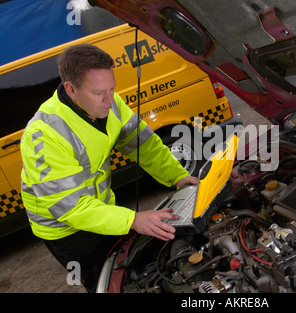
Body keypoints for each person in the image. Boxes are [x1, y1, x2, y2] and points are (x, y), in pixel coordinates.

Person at [20, 43, 197, 292]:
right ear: (71, 89)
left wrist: (177, 176)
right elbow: (71, 207)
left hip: (103, 209)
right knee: (106, 284)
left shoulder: (110, 103)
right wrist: (132, 219)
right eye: (98, 92)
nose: (109, 99)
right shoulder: (44, 135)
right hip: (67, 231)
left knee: (134, 269)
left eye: (112, 88)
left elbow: (142, 144)